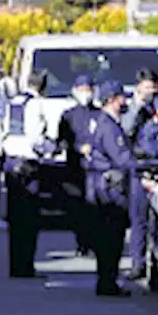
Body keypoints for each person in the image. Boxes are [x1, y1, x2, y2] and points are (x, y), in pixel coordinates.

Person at [121, 69, 158, 280]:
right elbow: (126, 130)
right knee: (139, 220)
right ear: (138, 87)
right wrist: (138, 107)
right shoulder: (130, 107)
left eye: (153, 87)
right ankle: (138, 263)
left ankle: (157, 266)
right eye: (146, 87)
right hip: (140, 168)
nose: (151, 92)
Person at [82, 79, 139, 297]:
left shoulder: (105, 123)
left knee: (109, 238)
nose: (125, 102)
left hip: (103, 188)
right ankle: (108, 283)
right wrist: (141, 166)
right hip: (108, 190)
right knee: (110, 239)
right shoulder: (109, 127)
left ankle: (107, 281)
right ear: (112, 100)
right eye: (122, 97)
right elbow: (121, 158)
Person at [2, 71, 56, 278]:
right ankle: (26, 266)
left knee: (15, 219)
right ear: (42, 86)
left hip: (11, 160)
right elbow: (35, 137)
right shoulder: (37, 104)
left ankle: (15, 266)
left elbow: (4, 129)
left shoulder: (14, 101)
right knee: (30, 219)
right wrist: (50, 147)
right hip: (27, 164)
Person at [58, 74, 97, 256]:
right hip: (75, 168)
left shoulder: (99, 115)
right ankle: (81, 242)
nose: (85, 94)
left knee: (94, 207)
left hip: (95, 168)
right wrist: (78, 148)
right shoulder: (68, 116)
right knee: (77, 208)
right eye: (81, 90)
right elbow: (62, 141)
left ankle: (92, 241)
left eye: (88, 90)